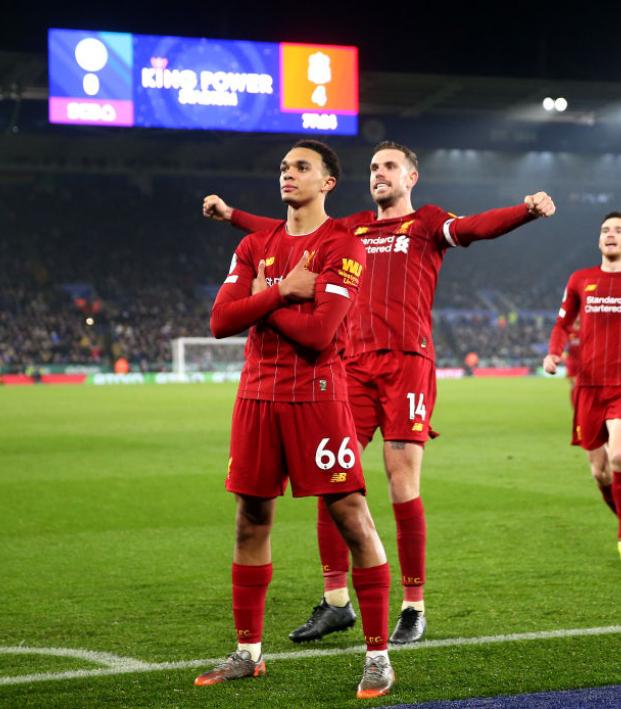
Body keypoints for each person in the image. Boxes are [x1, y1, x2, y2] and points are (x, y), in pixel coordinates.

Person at [203, 141, 556, 645]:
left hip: (407, 363)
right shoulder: (351, 230)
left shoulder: (428, 223)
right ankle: (335, 602)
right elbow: (284, 229)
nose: (379, 174)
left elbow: (476, 227)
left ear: (412, 176)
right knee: (334, 485)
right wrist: (233, 216)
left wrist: (524, 211)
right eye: (372, 167)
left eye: (389, 166)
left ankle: (413, 605)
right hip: (351, 366)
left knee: (400, 478)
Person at [194, 140, 394, 699]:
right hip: (256, 397)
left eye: (301, 167)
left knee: (352, 517)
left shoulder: (343, 245)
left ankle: (378, 657)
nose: (289, 174)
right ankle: (248, 653)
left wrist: (263, 300)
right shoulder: (256, 244)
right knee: (250, 520)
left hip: (318, 398)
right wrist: (284, 291)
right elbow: (219, 321)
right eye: (283, 167)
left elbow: (319, 335)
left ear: (328, 182)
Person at [544, 212, 621, 552]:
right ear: (598, 239)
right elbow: (562, 324)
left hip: (620, 386)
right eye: (605, 230)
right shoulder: (580, 279)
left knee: (618, 457)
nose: (611, 235)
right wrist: (553, 353)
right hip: (588, 388)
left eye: (618, 231)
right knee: (600, 473)